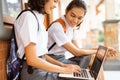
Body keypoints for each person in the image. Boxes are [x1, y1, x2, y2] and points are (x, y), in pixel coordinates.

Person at [46, 0, 117, 80]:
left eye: (79, 18)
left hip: (62, 58)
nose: (75, 21)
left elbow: (79, 50)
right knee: (92, 58)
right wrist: (101, 51)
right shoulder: (57, 27)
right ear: (66, 11)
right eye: (72, 15)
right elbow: (76, 52)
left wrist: (103, 50)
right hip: (51, 61)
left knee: (93, 58)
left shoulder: (72, 27)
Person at [14, 0, 82, 80]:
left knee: (76, 75)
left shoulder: (38, 19)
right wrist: (63, 70)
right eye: (54, 1)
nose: (55, 6)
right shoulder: (28, 17)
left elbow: (42, 55)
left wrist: (62, 65)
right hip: (32, 73)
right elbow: (32, 60)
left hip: (40, 69)